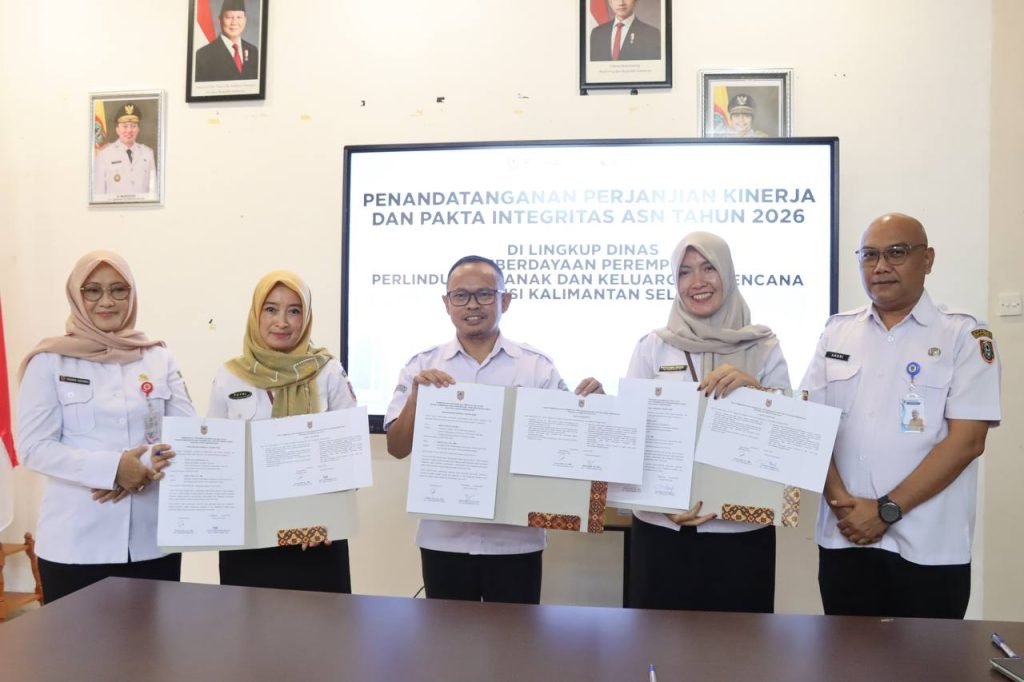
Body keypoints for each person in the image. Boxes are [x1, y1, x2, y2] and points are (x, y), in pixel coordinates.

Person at [802, 212, 1000, 619]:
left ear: (927, 259)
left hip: (929, 547)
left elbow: (968, 442)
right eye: (869, 255)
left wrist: (885, 511)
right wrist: (841, 504)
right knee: (847, 655)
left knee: (928, 657)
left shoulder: (963, 334)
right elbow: (808, 425)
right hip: (845, 538)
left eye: (896, 253)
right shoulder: (837, 332)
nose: (880, 266)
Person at [384, 255, 602, 604]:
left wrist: (596, 411)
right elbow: (396, 448)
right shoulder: (422, 366)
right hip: (445, 538)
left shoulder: (536, 367)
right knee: (447, 634)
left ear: (505, 300)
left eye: (484, 294)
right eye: (460, 295)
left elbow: (568, 445)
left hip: (516, 540)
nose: (472, 305)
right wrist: (415, 399)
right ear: (446, 303)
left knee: (514, 635)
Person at [624, 232, 791, 613]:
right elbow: (633, 438)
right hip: (662, 531)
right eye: (684, 272)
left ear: (727, 273)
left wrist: (756, 391)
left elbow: (786, 440)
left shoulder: (763, 347)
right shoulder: (653, 347)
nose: (697, 282)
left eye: (708, 268)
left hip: (741, 534)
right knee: (658, 643)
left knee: (737, 645)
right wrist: (661, 503)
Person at [16, 250, 194, 603]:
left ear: (132, 294)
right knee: (75, 641)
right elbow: (34, 448)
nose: (107, 301)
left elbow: (185, 435)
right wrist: (112, 469)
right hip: (76, 544)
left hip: (152, 542)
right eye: (93, 290)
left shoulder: (158, 357)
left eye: (118, 289)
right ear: (75, 296)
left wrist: (139, 468)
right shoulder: (49, 361)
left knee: (154, 640)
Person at [207, 271, 356, 593]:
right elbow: (215, 457)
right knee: (249, 621)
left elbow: (349, 455)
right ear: (256, 314)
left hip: (316, 536)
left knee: (321, 623)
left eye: (294, 310)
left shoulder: (328, 371)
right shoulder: (231, 375)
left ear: (307, 316)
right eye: (271, 309)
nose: (282, 322)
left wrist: (326, 516)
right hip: (250, 537)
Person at [93, 103, 156, 196]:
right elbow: (99, 193)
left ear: (138, 129)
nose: (129, 130)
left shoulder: (148, 153)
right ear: (117, 130)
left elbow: (153, 191)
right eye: (125, 126)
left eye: (133, 126)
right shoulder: (104, 154)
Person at [194, 0, 260, 82]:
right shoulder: (203, 55)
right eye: (229, 17)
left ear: (245, 20)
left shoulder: (253, 51)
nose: (234, 22)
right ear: (220, 20)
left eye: (239, 17)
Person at [590, 0, 661, 62]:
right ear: (610, 2)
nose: (621, 2)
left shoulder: (652, 35)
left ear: (635, 1)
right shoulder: (597, 33)